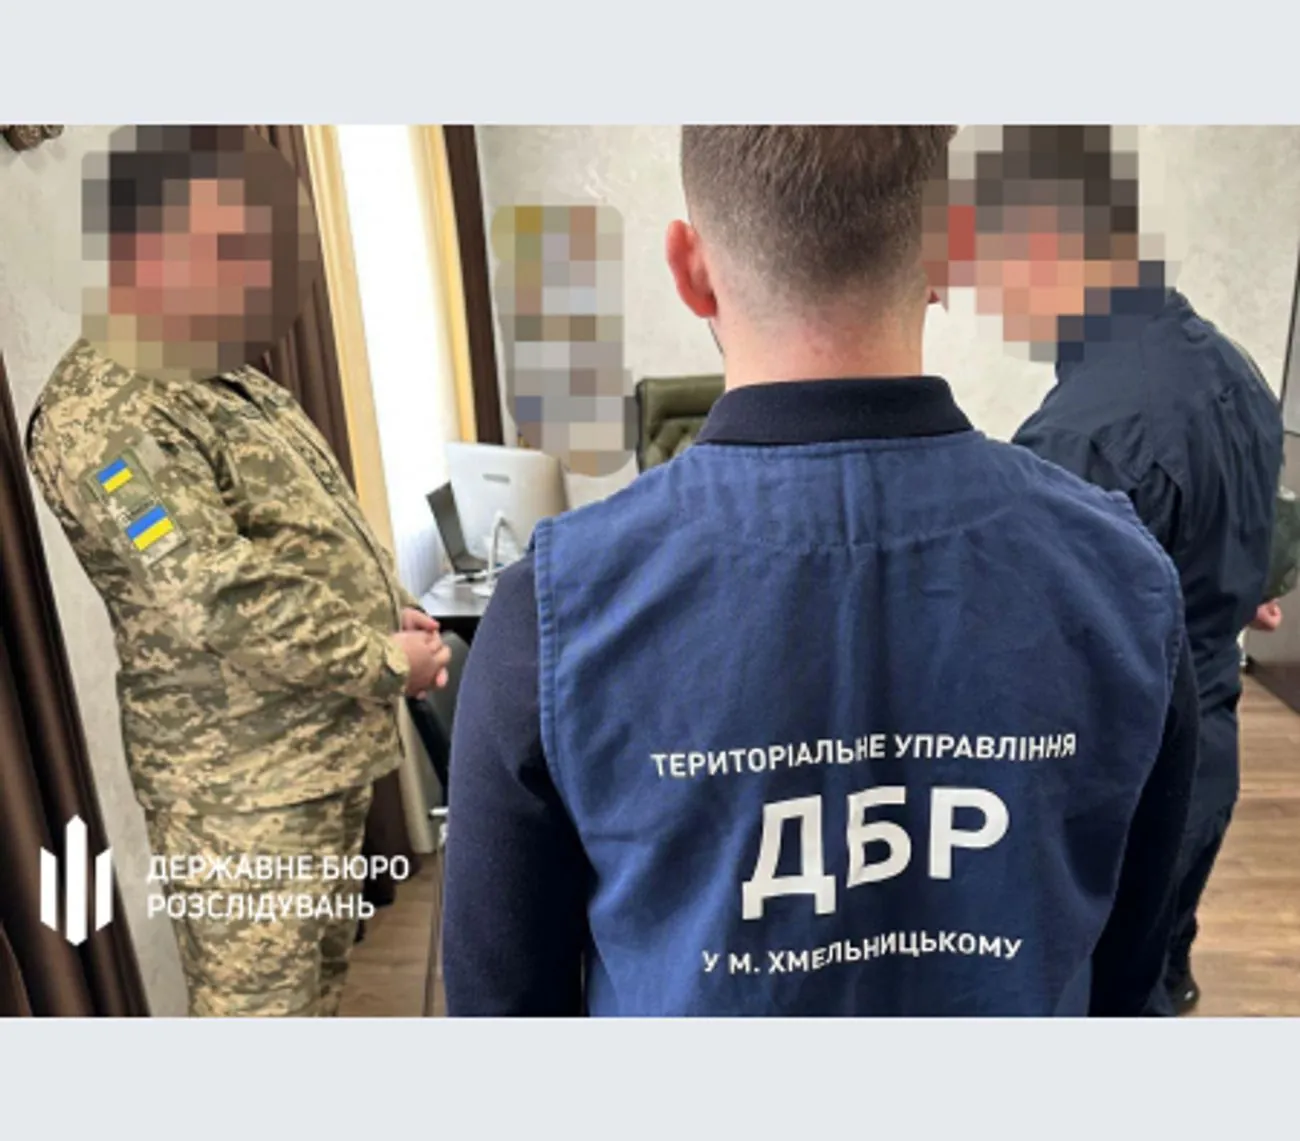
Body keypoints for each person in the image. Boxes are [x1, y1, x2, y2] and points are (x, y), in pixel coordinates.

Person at [442, 126, 1198, 1017]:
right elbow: (1133, 981)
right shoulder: (1125, 581)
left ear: (690, 270)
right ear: (949, 254)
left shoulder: (557, 613)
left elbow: (503, 1011)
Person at [26, 126, 450, 1017]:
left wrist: (395, 608)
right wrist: (383, 660)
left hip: (313, 751)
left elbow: (314, 524)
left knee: (315, 997)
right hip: (243, 791)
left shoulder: (219, 373)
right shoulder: (105, 411)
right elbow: (213, 590)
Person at [950, 125, 1285, 1014]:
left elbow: (1026, 663)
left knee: (1103, 990)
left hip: (1125, 784)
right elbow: (1251, 534)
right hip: (1207, 755)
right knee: (1160, 963)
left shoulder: (1084, 436)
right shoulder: (1233, 368)